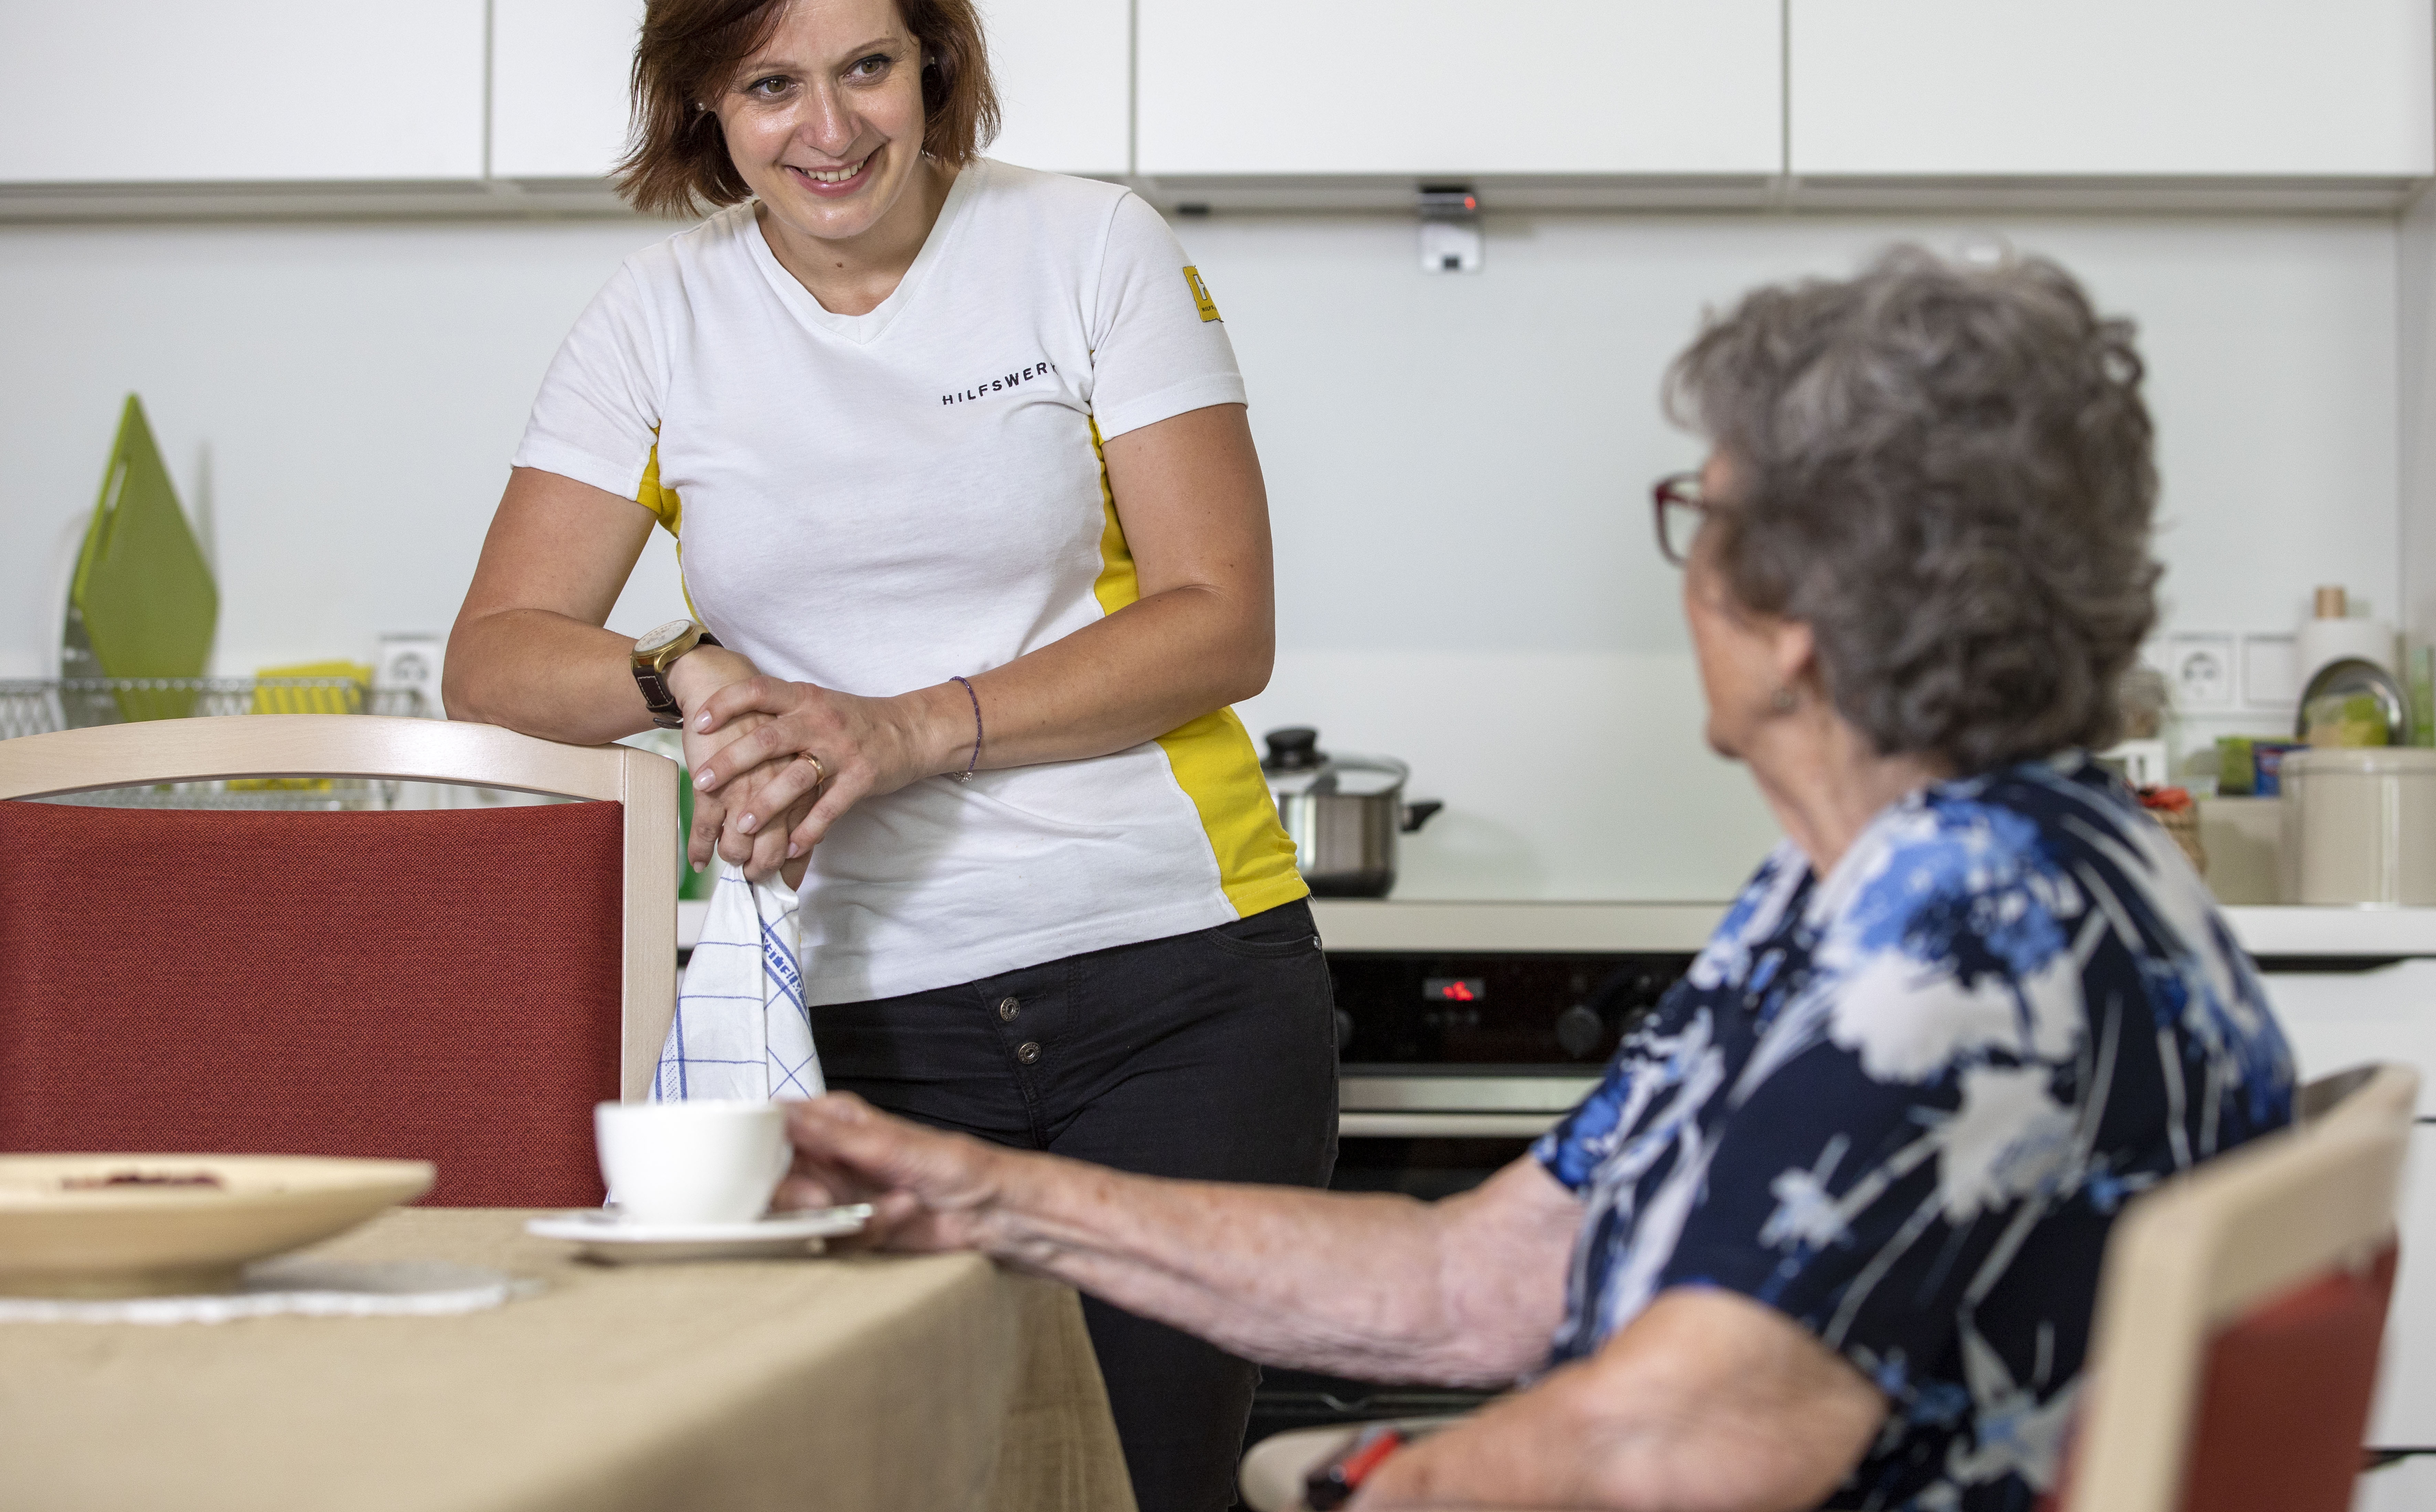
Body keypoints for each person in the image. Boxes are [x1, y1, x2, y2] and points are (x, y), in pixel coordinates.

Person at [770, 248, 2300, 1512]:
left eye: (1703, 518)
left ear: (1797, 626)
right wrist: (993, 1200)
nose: (1684, 566)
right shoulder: (1923, 874)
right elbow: (1474, 1277)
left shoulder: (1959, 945)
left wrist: (1366, 1492)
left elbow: (1667, 1443)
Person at [443, 0, 1333, 1512]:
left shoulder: (1087, 251)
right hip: (852, 1022)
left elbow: (1223, 616)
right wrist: (681, 674)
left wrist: (909, 729)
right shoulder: (659, 321)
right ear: (702, 100)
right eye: (769, 84)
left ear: (933, 52)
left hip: (1178, 989)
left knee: (1141, 1490)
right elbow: (495, 658)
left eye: (866, 66)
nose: (829, 129)